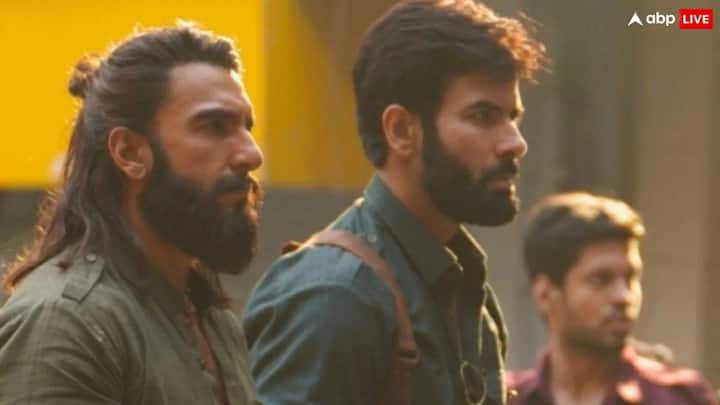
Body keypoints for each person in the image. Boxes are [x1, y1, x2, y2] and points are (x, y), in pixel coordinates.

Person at [242, 1, 546, 404]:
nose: (515, 142)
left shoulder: (465, 290)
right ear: (401, 130)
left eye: (513, 117)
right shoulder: (336, 295)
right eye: (483, 116)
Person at [0, 24, 263, 404]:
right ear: (129, 153)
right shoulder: (66, 322)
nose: (251, 154)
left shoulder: (211, 319)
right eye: (214, 127)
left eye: (246, 127)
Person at [507, 192, 718, 404]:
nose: (624, 296)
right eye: (601, 279)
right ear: (545, 295)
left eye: (630, 277)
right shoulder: (505, 398)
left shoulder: (679, 399)